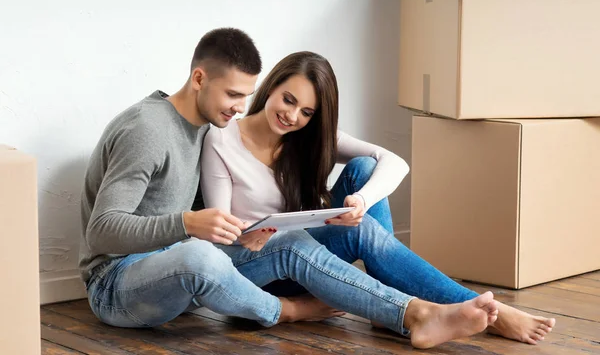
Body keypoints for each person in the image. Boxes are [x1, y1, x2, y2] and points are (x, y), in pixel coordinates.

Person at [80, 27, 500, 350]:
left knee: (291, 240)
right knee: (198, 255)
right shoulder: (150, 131)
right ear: (198, 78)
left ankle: (413, 313)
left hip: (178, 269)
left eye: (246, 96)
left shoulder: (203, 126)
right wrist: (190, 223)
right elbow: (102, 232)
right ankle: (289, 312)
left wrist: (239, 229)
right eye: (232, 94)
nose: (240, 108)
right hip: (116, 285)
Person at [200, 51, 556, 346]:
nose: (292, 116)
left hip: (301, 251)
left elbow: (393, 163)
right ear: (271, 87)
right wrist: (250, 233)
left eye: (306, 112)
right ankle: (454, 312)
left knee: (363, 168)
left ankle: (391, 307)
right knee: (362, 231)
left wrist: (361, 201)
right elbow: (220, 232)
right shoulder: (223, 139)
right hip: (256, 262)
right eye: (288, 100)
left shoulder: (305, 137)